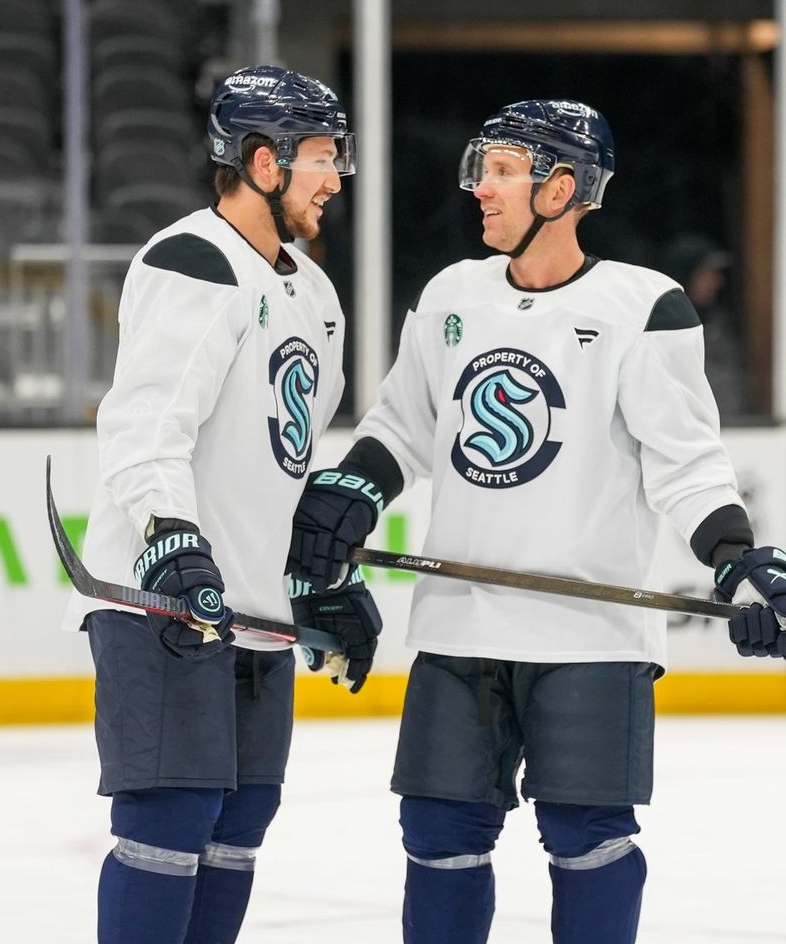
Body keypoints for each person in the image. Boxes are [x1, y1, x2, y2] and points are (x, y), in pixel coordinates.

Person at [287, 99, 786, 943]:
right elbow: (402, 427)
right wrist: (354, 490)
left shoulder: (645, 306)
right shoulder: (453, 294)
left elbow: (687, 463)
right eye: (485, 168)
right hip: (460, 633)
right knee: (438, 837)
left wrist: (736, 557)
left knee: (588, 841)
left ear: (564, 188)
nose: (484, 186)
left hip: (590, 638)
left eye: (507, 171)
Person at [62, 65, 381, 944]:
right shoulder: (194, 260)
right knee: (169, 825)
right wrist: (171, 536)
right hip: (165, 604)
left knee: (239, 831)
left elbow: (283, 462)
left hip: (252, 610)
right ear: (261, 161)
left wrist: (314, 582)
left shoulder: (313, 293)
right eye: (322, 157)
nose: (335, 177)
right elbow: (143, 423)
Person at [664, 233, 749, 419]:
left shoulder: (721, 323)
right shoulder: (661, 330)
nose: (717, 282)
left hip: (732, 430)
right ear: (686, 275)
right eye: (707, 273)